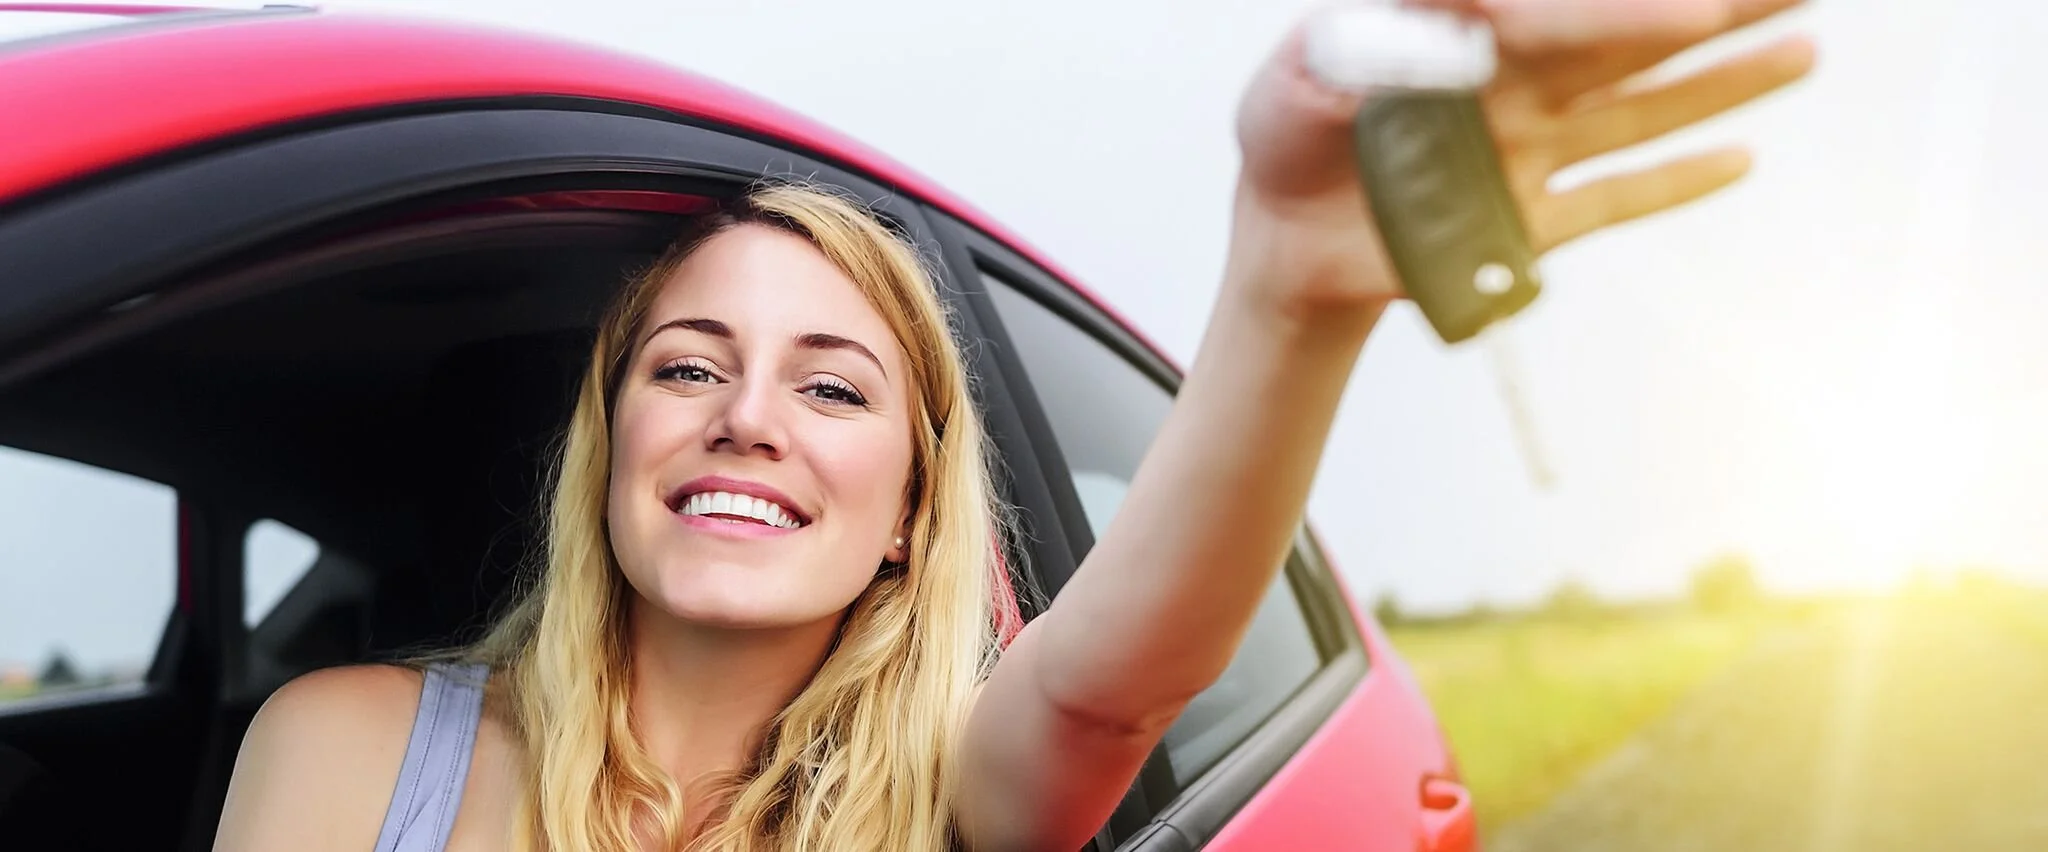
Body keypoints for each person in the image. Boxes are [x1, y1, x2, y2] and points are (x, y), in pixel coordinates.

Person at [213, 1, 1815, 849]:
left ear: (911, 511)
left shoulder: (950, 788)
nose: (749, 417)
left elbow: (1118, 679)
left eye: (834, 387)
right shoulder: (347, 746)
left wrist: (1290, 290)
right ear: (614, 448)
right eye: (688, 367)